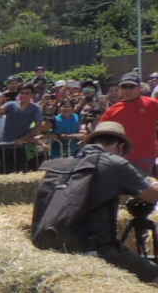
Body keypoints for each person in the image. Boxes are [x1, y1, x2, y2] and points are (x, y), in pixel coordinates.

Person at [32, 120, 158, 281]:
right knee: (153, 275)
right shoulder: (114, 163)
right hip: (92, 247)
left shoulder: (63, 164)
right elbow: (152, 195)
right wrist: (153, 182)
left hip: (47, 242)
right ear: (120, 147)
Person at [101, 72, 158, 176]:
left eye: (131, 87)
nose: (127, 90)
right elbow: (100, 134)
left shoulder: (151, 104)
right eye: (124, 87)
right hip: (121, 159)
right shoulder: (112, 111)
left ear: (139, 88)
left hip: (146, 158)